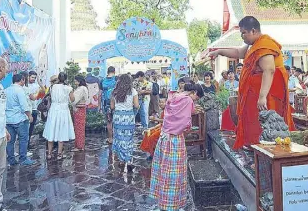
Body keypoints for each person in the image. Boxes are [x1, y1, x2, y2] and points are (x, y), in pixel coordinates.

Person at [209, 16, 294, 149]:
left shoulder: (264, 45)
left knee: (265, 125)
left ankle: (265, 151)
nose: (242, 36)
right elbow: (238, 52)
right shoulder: (254, 44)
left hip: (267, 95)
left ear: (253, 31)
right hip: (254, 93)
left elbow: (269, 70)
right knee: (253, 122)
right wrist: (219, 51)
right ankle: (254, 149)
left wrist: (262, 97)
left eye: (244, 33)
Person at [150, 83, 204, 211]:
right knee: (174, 174)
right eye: (196, 98)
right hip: (175, 139)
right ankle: (171, 205)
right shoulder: (188, 100)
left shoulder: (174, 96)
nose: (195, 100)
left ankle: (163, 203)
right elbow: (185, 121)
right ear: (194, 93)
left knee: (164, 171)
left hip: (164, 137)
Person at [43, 72, 75, 160]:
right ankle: (59, 154)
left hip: (53, 110)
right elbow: (72, 99)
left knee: (51, 130)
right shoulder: (68, 88)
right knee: (62, 131)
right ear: (66, 78)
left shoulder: (52, 87)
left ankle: (49, 153)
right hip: (63, 110)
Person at [110, 74, 139, 171]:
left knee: (119, 138)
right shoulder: (133, 91)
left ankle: (121, 160)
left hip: (118, 117)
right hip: (129, 117)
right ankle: (129, 160)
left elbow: (112, 107)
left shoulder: (114, 92)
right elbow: (136, 105)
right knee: (129, 138)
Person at [5, 73, 35, 166]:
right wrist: (29, 116)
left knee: (10, 141)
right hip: (20, 119)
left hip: (8, 119)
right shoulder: (20, 90)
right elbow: (24, 105)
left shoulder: (6, 90)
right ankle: (23, 158)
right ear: (22, 80)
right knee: (23, 139)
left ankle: (11, 159)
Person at [0, 57, 10, 211]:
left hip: (0, 136)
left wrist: (4, 129)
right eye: (6, 67)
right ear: (0, 68)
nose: (7, 70)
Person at [100, 66, 117, 145]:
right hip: (116, 103)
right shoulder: (117, 79)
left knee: (109, 121)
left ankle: (110, 138)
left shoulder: (102, 80)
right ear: (114, 71)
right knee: (117, 121)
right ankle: (117, 138)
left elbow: (100, 93)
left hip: (106, 104)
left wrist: (99, 106)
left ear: (107, 72)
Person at [27, 71, 45, 148]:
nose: (33, 79)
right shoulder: (25, 86)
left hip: (34, 109)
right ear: (28, 76)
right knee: (26, 129)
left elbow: (43, 92)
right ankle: (25, 145)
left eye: (35, 77)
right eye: (32, 77)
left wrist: (39, 82)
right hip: (27, 110)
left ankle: (28, 144)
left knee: (31, 128)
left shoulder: (36, 85)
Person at [71, 75, 89, 152]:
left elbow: (74, 100)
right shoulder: (83, 88)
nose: (74, 82)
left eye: (75, 81)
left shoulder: (81, 89)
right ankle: (80, 145)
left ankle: (79, 146)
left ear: (79, 81)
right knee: (80, 127)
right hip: (81, 109)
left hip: (79, 109)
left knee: (79, 128)